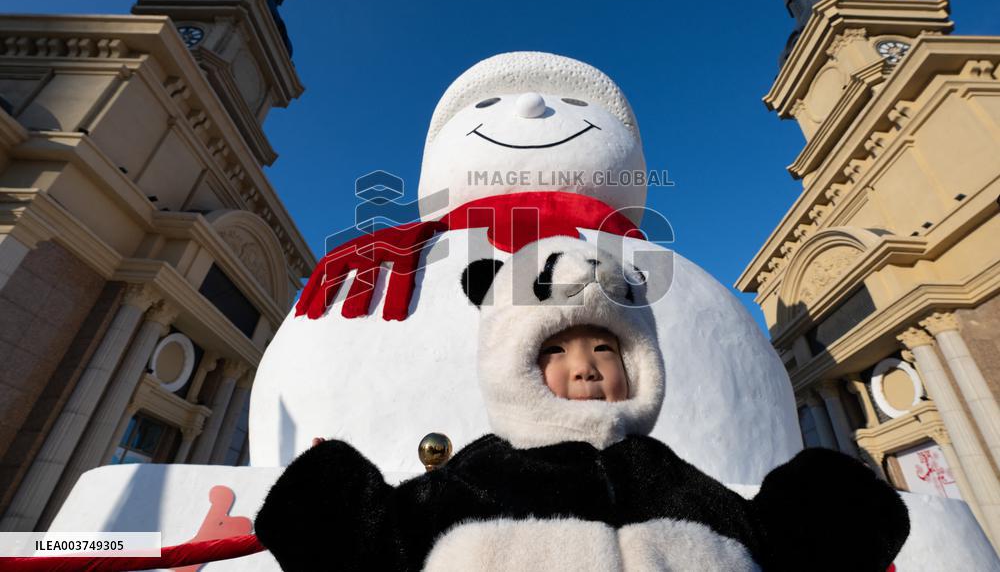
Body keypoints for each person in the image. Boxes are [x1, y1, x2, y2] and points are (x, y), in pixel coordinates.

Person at [255, 237, 909, 571]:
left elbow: (763, 537)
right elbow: (378, 543)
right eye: (556, 349)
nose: (586, 368)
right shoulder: (480, 475)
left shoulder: (669, 476)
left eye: (605, 348)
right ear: (516, 364)